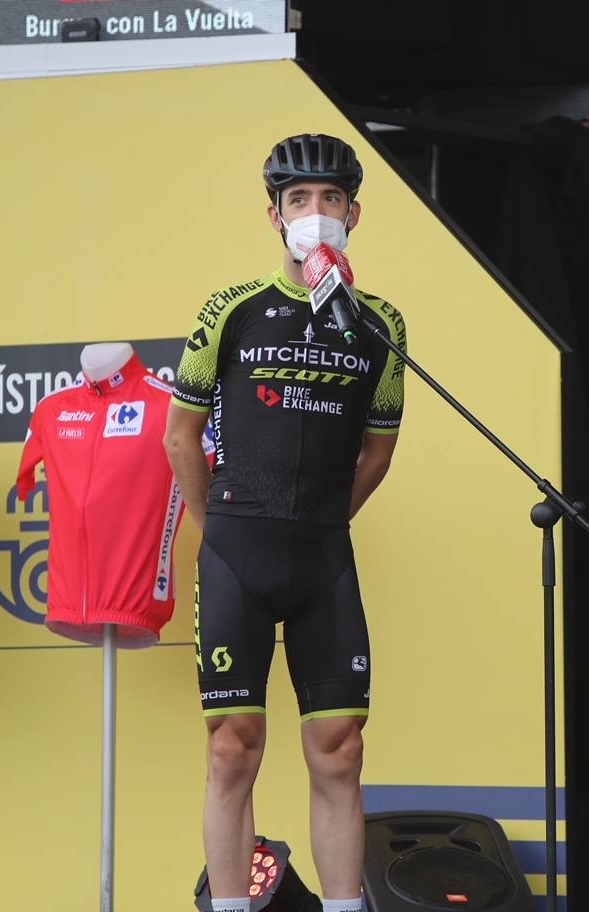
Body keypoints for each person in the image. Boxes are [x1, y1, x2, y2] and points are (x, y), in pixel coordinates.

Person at [164, 133, 407, 912]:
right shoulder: (230, 308)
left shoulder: (380, 326)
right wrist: (223, 528)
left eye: (330, 199)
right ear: (275, 216)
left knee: (340, 752)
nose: (316, 213)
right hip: (238, 550)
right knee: (234, 750)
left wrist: (325, 522)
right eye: (299, 200)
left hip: (322, 559)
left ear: (354, 214)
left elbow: (377, 452)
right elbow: (179, 436)